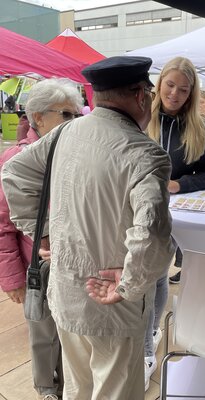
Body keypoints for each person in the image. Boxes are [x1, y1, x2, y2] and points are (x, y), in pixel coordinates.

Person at [1, 56, 174, 400]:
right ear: (141, 95)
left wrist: (42, 231)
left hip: (66, 294)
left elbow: (15, 174)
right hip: (113, 305)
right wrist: (129, 284)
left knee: (77, 388)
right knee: (114, 391)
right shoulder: (145, 153)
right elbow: (153, 234)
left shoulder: (65, 132)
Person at [0, 78, 83, 400]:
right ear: (38, 117)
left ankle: (67, 387)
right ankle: (47, 389)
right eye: (66, 115)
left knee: (67, 333)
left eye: (76, 115)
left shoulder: (69, 151)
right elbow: (3, 225)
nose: (73, 122)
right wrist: (11, 279)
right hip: (38, 265)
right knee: (43, 333)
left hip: (68, 260)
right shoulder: (17, 159)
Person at [144, 56, 205, 389]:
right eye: (170, 85)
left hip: (171, 214)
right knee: (140, 277)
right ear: (160, 83)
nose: (174, 94)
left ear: (192, 94)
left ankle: (147, 348)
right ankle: (146, 335)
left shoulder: (198, 127)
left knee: (157, 275)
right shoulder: (140, 115)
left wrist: (179, 184)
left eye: (183, 89)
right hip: (132, 210)